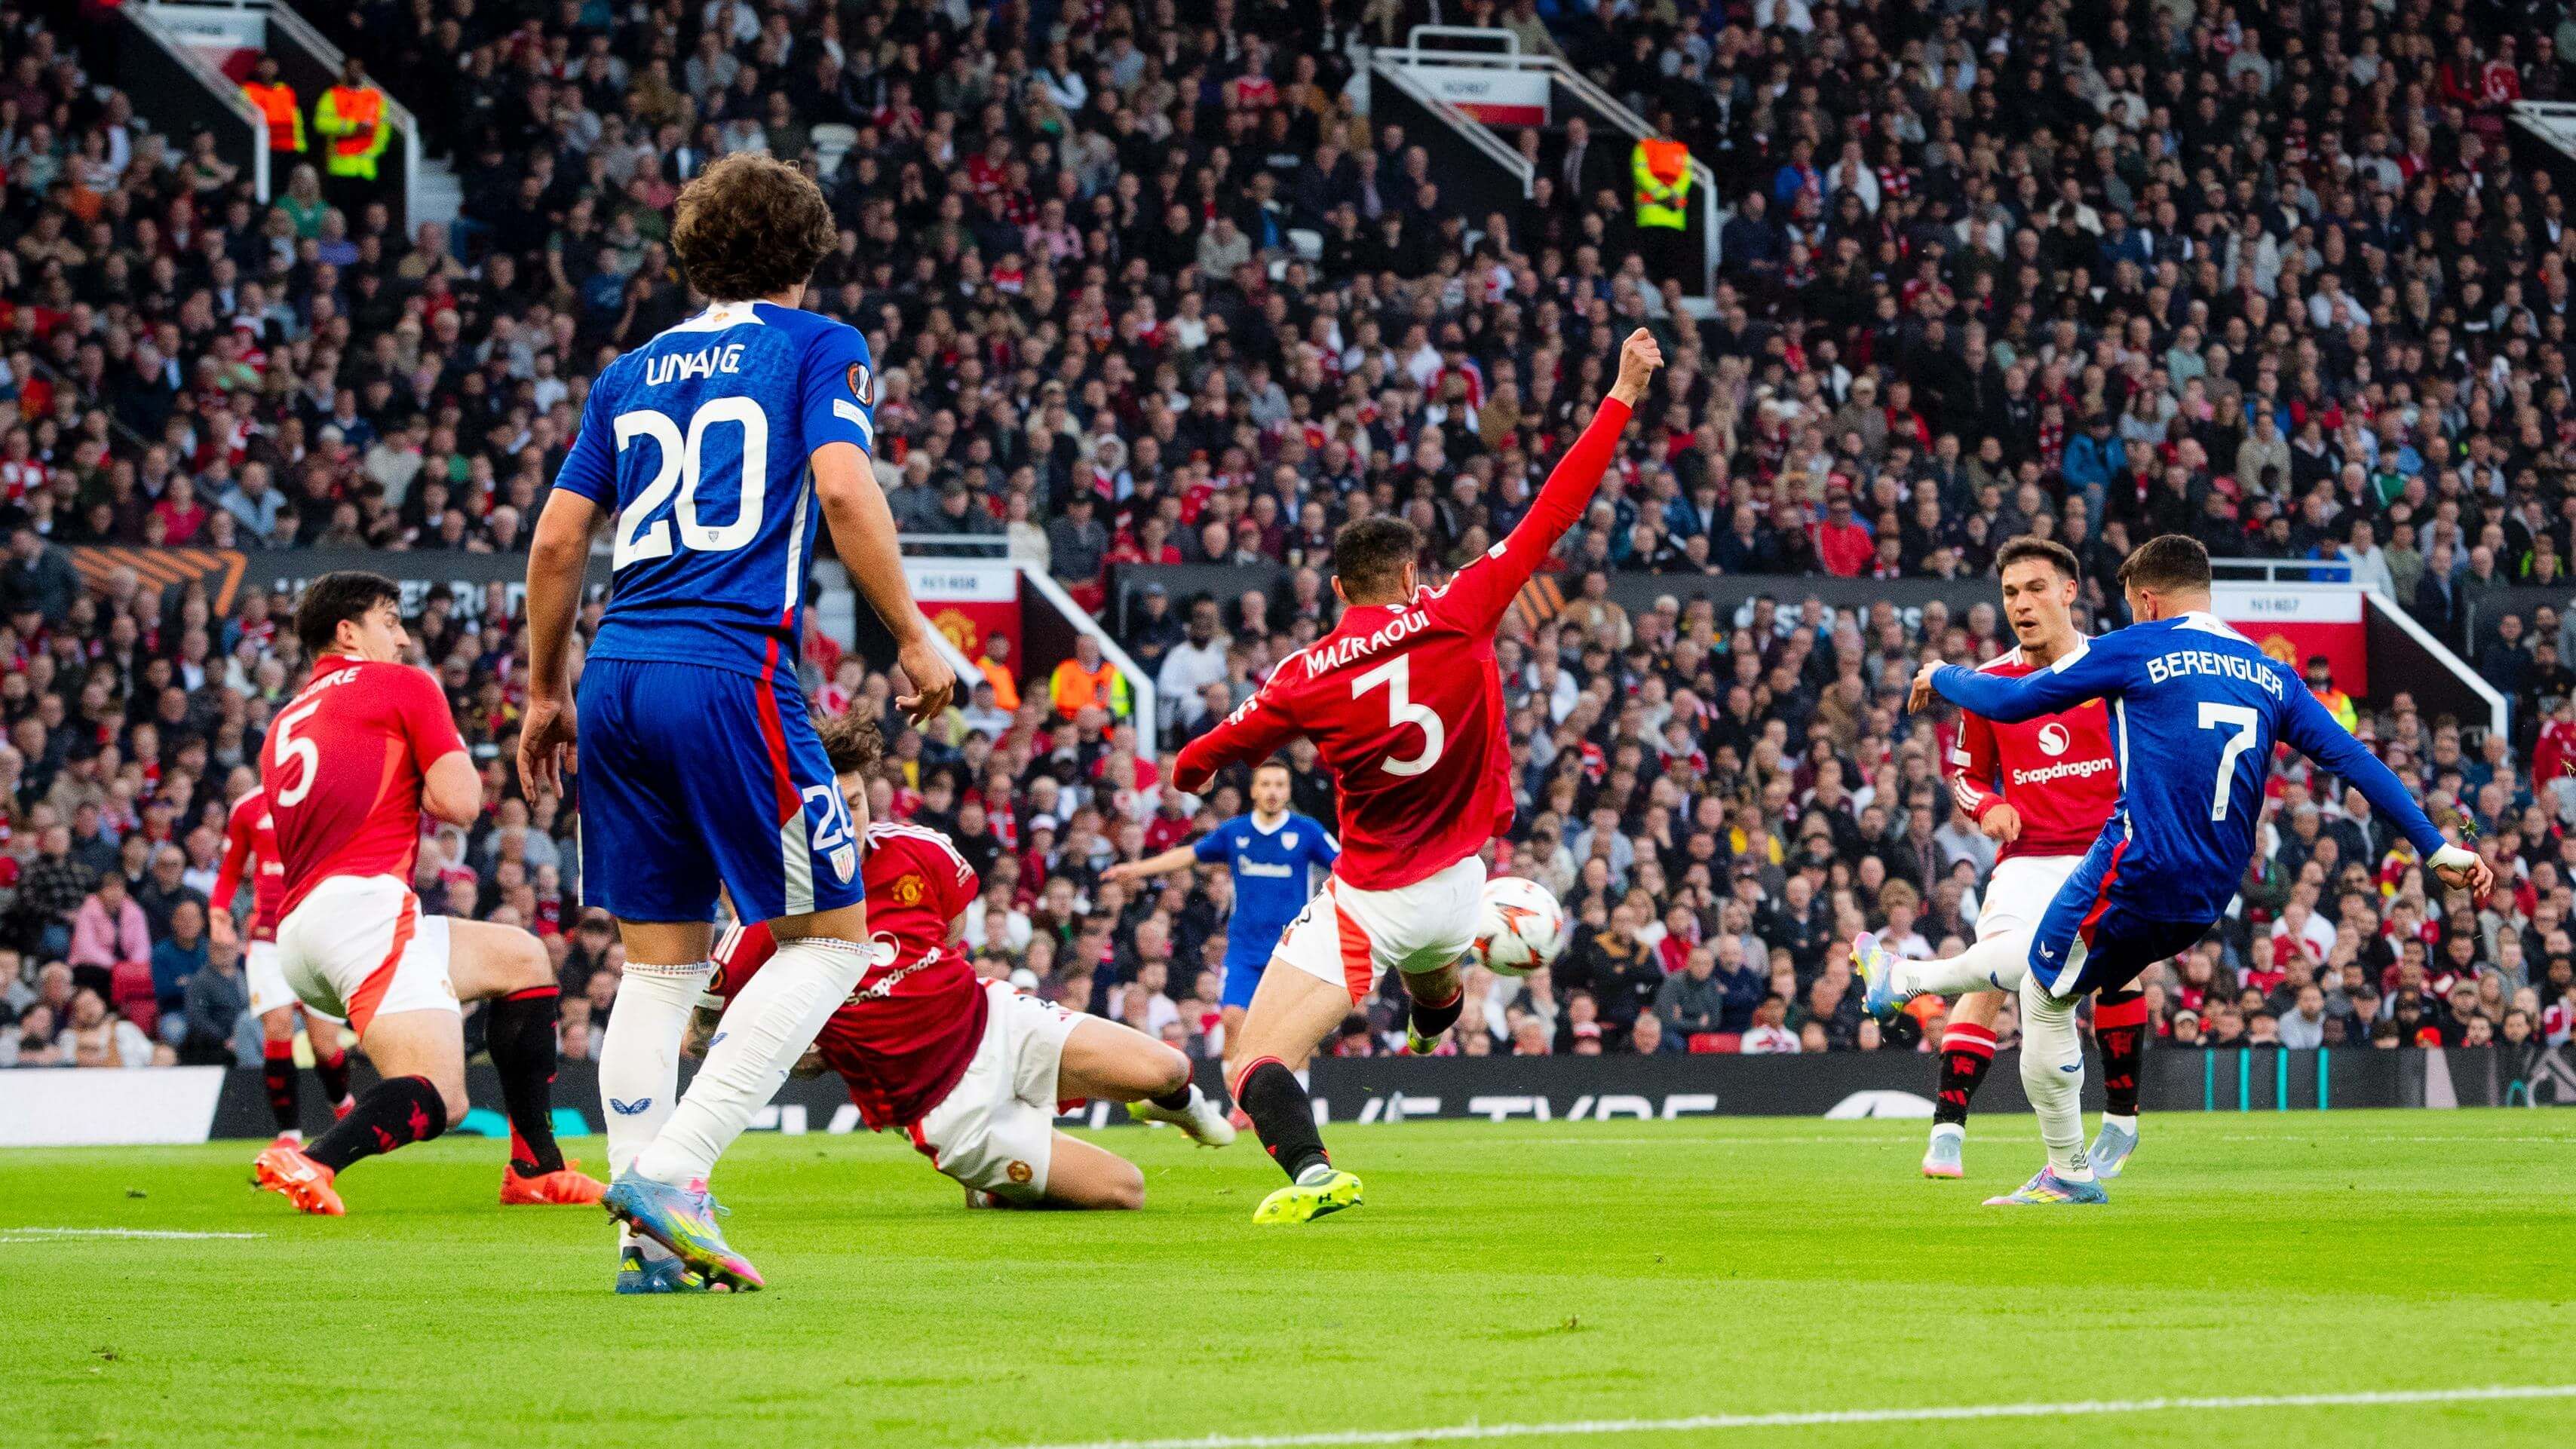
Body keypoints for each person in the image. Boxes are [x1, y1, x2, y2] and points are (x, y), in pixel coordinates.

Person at [520, 154, 955, 1293]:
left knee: (657, 973)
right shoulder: (818, 344)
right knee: (834, 939)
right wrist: (913, 633)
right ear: (809, 254)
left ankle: (641, 1243)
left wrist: (542, 691)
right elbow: (849, 489)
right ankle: (676, 1173)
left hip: (615, 673)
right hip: (729, 670)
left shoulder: (627, 372)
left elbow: (560, 541)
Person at [1168, 329, 1662, 1225]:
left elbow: (1208, 752)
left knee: (1250, 1064)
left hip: (1371, 896)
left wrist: (1195, 772)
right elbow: (1554, 507)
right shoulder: (1460, 606)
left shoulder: (1303, 674)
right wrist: (1621, 392)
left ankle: (1313, 1172)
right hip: (1464, 882)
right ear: (1407, 573)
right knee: (1435, 974)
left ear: (1335, 587)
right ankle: (1431, 1017)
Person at [1869, 534, 2493, 1205]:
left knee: (2044, 991)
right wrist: (2436, 846)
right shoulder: (2268, 671)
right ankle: (1907, 985)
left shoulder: (2138, 646)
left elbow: (2015, 701)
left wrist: (1941, 675)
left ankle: (2062, 1164)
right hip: (2210, 891)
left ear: (2146, 599)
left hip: (2136, 863)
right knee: (2054, 971)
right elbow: (2354, 761)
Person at [661, 713, 1228, 1282]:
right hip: (946, 1110)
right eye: (828, 809)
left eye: (854, 805)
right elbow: (699, 1036)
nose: (843, 823)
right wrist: (806, 1043)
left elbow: (951, 934)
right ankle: (993, 1186)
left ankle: (1156, 1106)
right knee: (1126, 1190)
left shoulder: (918, 850)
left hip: (995, 1022)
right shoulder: (771, 911)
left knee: (1170, 1067)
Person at [250, 572, 604, 1216]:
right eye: (390, 621)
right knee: (445, 1095)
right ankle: (312, 1161)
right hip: (364, 912)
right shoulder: (404, 685)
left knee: (521, 958)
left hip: (302, 932)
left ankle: (534, 1167)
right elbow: (462, 804)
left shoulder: (285, 719)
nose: (405, 638)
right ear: (347, 630)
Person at [1882, 538, 2148, 1181]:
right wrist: (1987, 805)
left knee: (2120, 974)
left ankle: (2121, 1122)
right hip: (2028, 859)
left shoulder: (2115, 669)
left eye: (2034, 588)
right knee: (1989, 980)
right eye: (2010, 593)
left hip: (2106, 851)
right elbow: (1965, 776)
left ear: (2068, 592)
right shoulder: (1991, 682)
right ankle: (1947, 1131)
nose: (2021, 604)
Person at [1102, 758, 1337, 1080]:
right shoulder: (1236, 832)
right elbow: (1189, 854)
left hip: (1291, 950)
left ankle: (1299, 1109)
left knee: (1294, 1032)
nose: (1272, 791)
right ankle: (1238, 1108)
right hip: (1244, 948)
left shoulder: (1306, 831)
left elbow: (1344, 866)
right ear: (1253, 790)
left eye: (1279, 785)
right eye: (1265, 784)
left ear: (1288, 791)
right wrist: (1136, 868)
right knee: (1231, 1021)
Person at [210, 782, 355, 1144]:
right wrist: (217, 913)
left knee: (324, 1045)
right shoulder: (248, 808)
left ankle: (342, 1102)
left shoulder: (327, 797)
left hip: (317, 936)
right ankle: (289, 1135)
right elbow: (230, 870)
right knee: (277, 1029)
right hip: (267, 938)